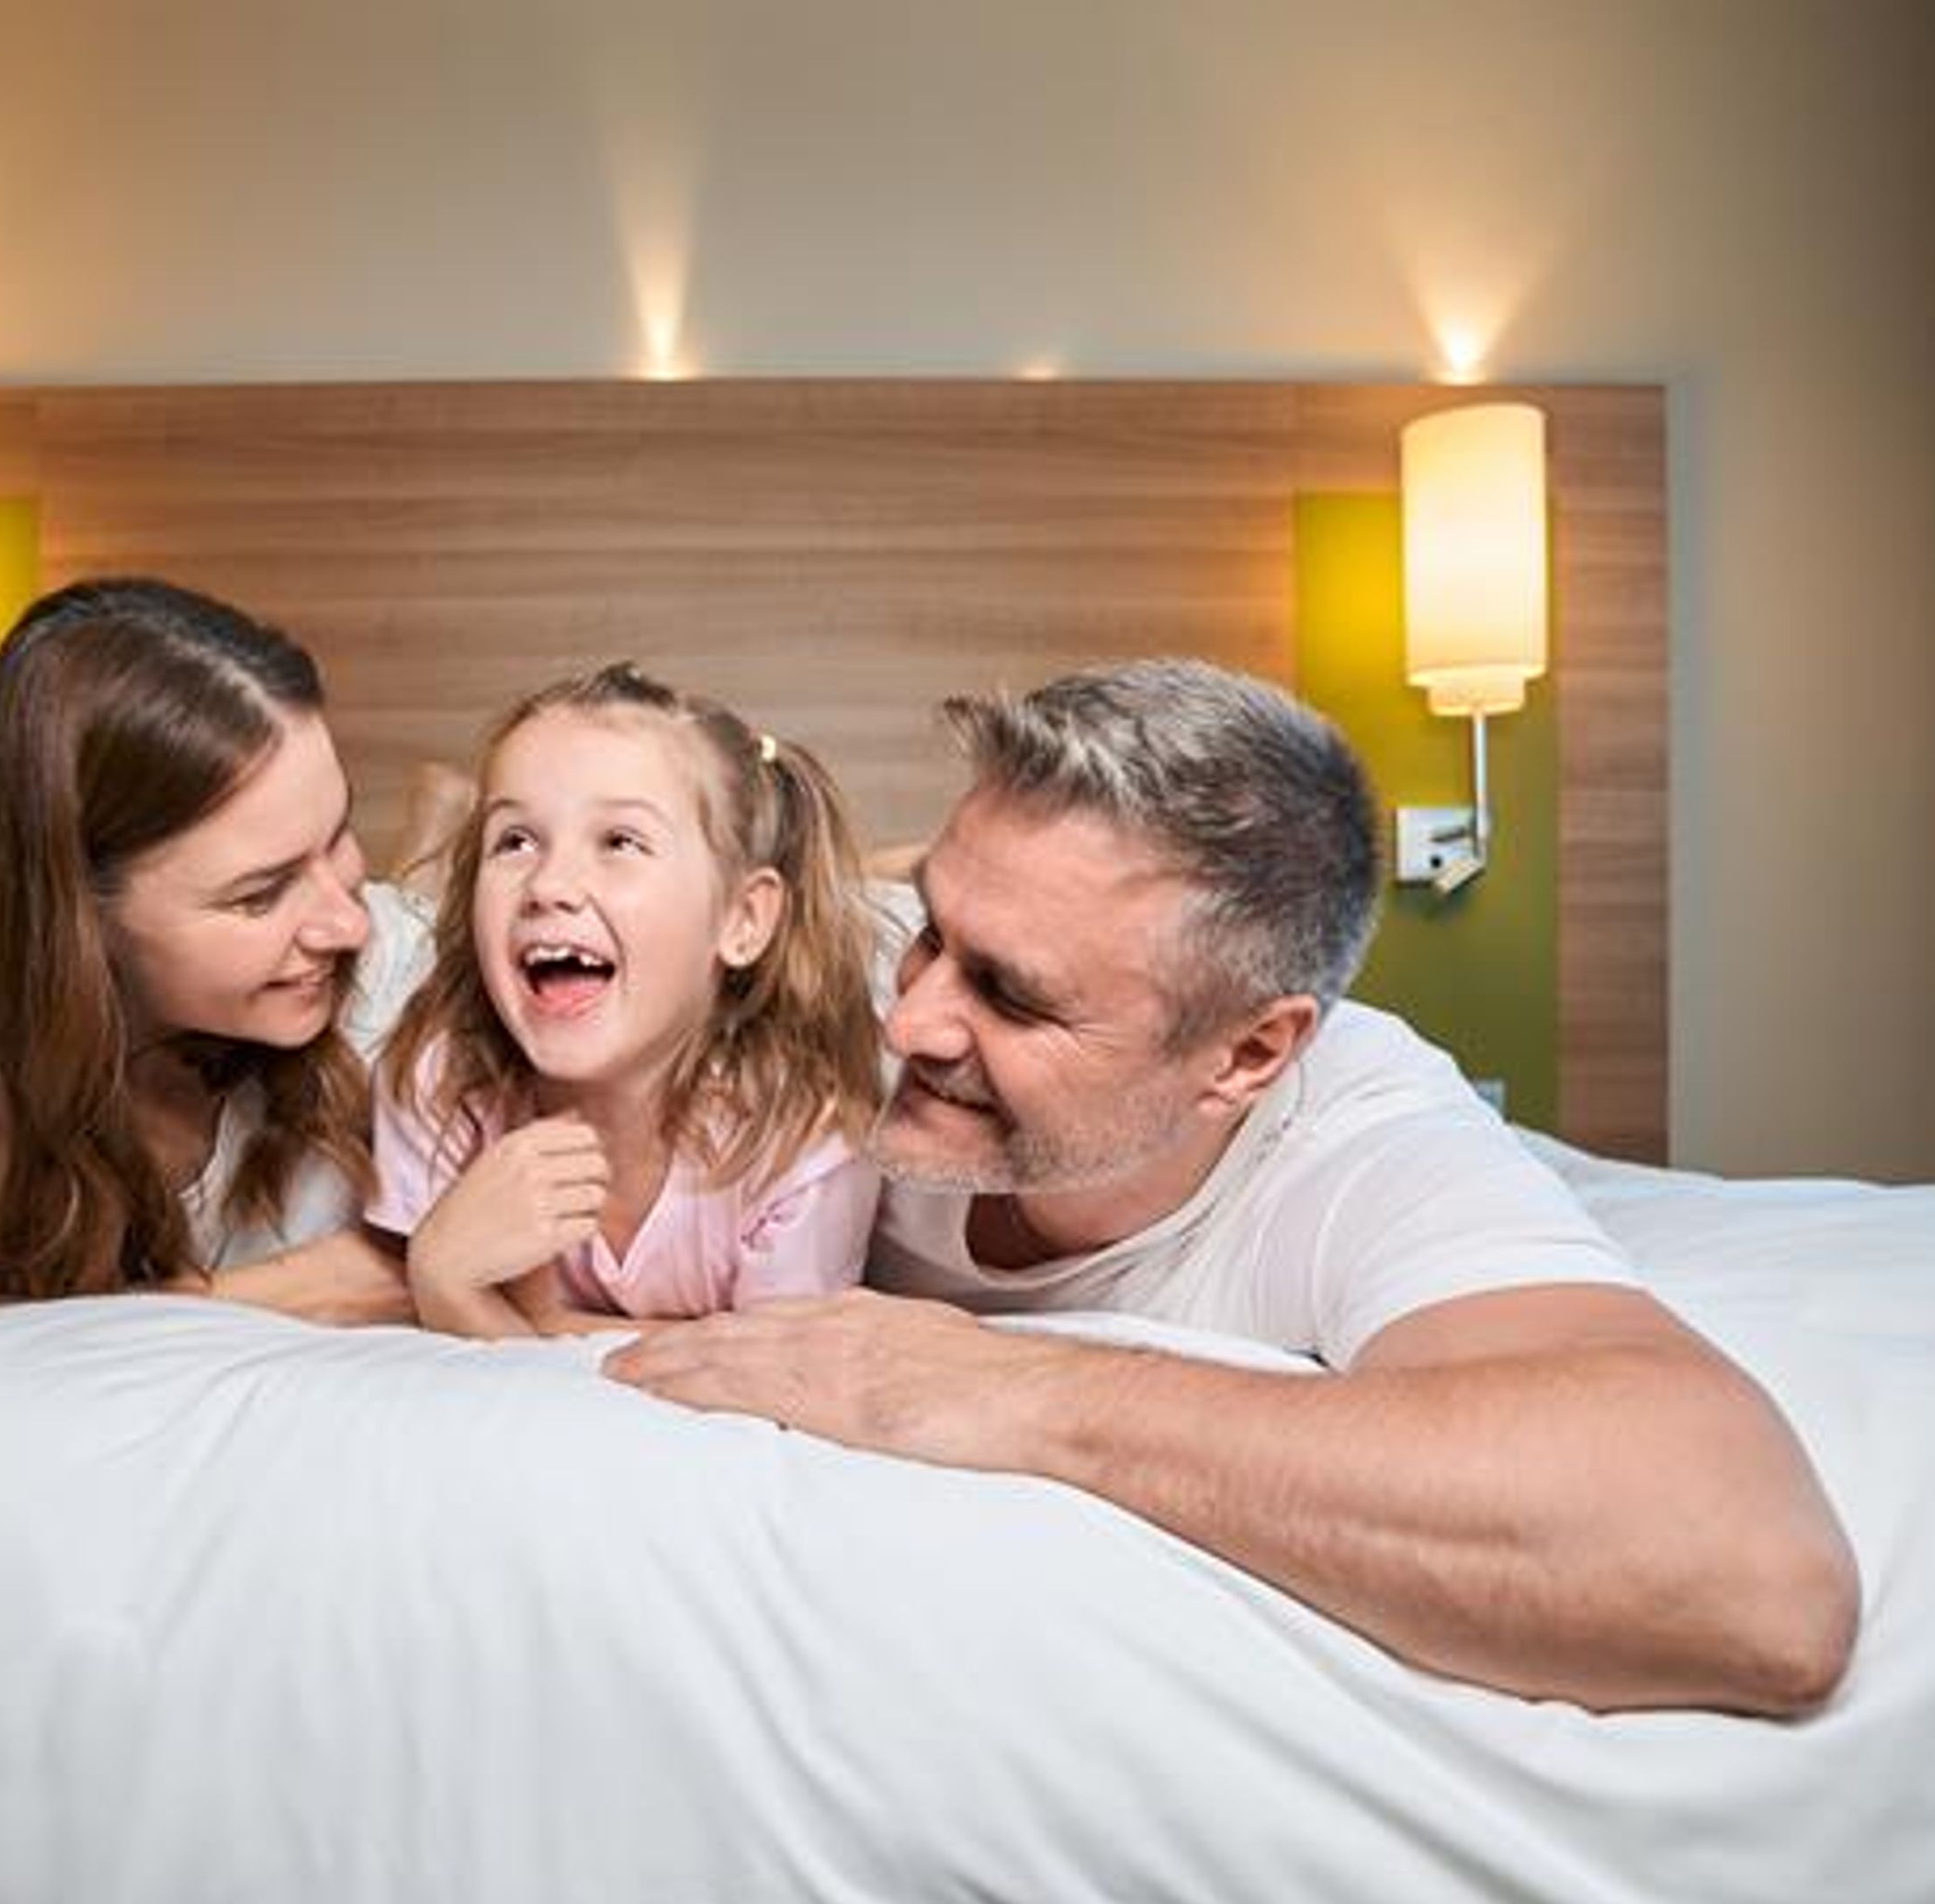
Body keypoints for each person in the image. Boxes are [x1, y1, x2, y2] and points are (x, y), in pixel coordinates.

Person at [605, 660, 1863, 1716]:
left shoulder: (1359, 1140)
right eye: (932, 928)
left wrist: (1013, 1388)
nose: (910, 1018)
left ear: (1249, 1054)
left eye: (1013, 995)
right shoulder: (821, 964)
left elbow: (1755, 1579)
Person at [0, 577, 424, 1322]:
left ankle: (431, 840)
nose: (347, 925)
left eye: (337, 835)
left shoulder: (398, 964)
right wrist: (293, 1288)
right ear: (80, 914)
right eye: (260, 895)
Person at [369, 664, 887, 1336]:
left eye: (619, 841)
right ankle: (433, 843)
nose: (548, 885)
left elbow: (768, 1372)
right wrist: (440, 1269)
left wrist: (453, 1287)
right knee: (397, 931)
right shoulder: (438, 1077)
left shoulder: (802, 1147)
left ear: (741, 919)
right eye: (514, 841)